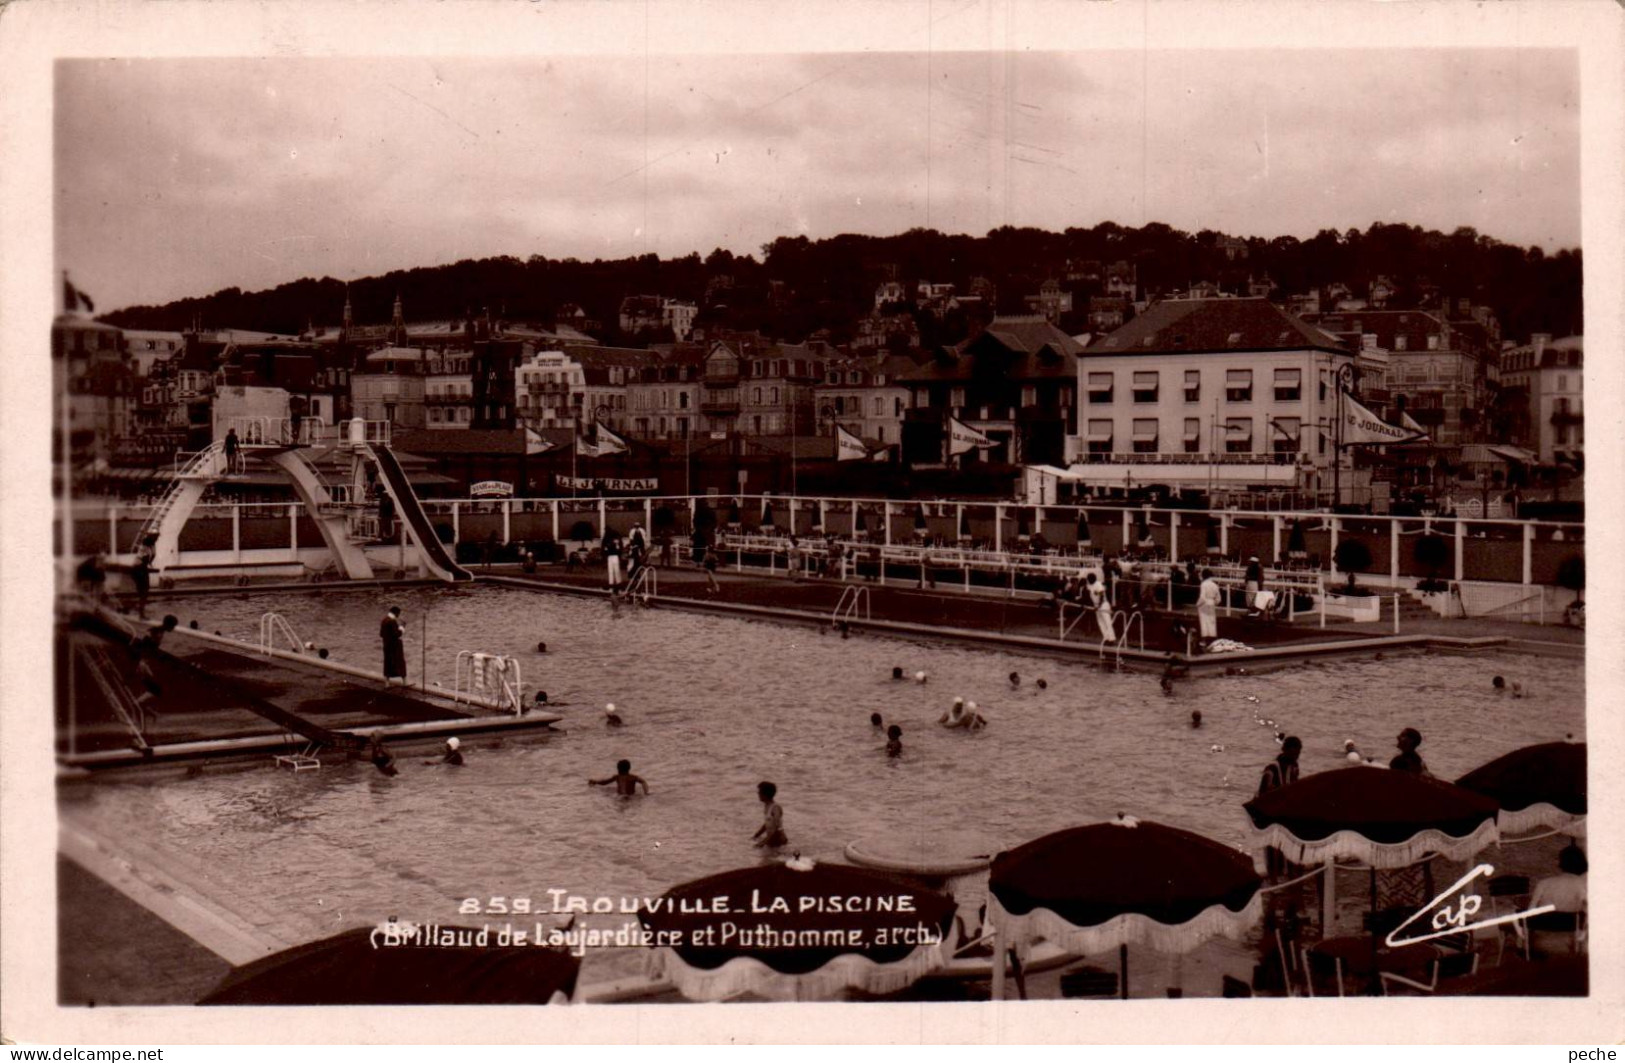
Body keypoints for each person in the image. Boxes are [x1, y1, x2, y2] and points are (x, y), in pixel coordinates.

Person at [1257, 736, 1302, 878]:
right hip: (1271, 816)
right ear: (1285, 750)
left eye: (1298, 754)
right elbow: (1263, 794)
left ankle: (1289, 878)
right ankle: (1273, 880)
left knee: (1289, 849)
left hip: (1287, 815)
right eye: (1294, 753)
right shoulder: (1272, 769)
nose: (1296, 757)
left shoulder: (1294, 767)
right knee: (1273, 851)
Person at [752, 781, 787, 848]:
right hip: (771, 839)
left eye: (759, 792)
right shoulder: (767, 806)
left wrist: (763, 842)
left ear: (765, 794)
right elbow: (767, 824)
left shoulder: (775, 807)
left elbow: (777, 828)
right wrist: (756, 835)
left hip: (778, 840)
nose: (758, 794)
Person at [131, 534, 156, 619]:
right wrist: (154, 548)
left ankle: (140, 611)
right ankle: (141, 614)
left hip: (135, 569)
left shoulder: (142, 548)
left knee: (141, 591)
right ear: (152, 544)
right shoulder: (147, 550)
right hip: (140, 569)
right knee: (144, 591)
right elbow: (153, 555)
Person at [380, 606, 406, 685]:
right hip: (395, 647)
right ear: (396, 613)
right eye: (399, 613)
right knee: (400, 663)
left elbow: (381, 634)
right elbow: (397, 634)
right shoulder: (392, 621)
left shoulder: (384, 620)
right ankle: (405, 682)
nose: (399, 615)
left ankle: (387, 683)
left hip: (386, 646)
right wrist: (402, 627)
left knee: (388, 664)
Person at [1086, 571, 1116, 642]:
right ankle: (1106, 638)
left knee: (1107, 621)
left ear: (1092, 579)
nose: (1088, 581)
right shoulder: (1089, 585)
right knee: (1100, 622)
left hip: (1103, 605)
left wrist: (1099, 605)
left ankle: (1112, 638)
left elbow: (1102, 595)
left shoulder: (1098, 584)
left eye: (1089, 579)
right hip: (1096, 605)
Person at [1197, 569, 1221, 643]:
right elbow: (1219, 599)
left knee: (1204, 621)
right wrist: (1214, 602)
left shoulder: (1203, 584)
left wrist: (1198, 604)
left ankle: (1204, 640)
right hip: (1211, 603)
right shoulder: (1215, 585)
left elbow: (1202, 597)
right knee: (1212, 621)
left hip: (1204, 604)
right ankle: (1213, 640)